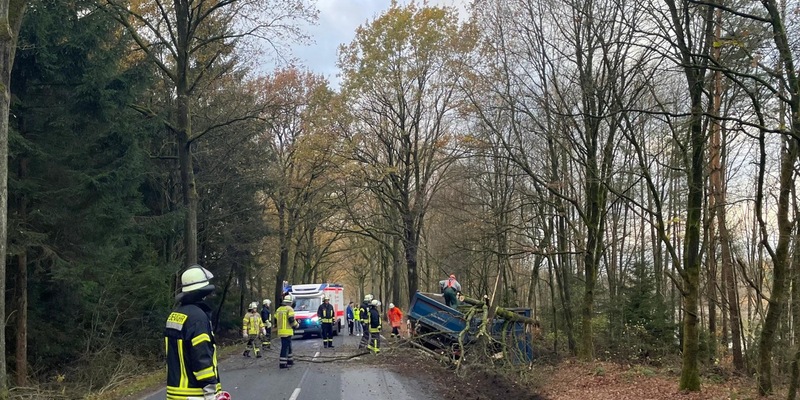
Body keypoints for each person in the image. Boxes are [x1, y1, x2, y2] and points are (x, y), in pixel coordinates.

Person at [164, 265, 230, 400]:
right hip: (195, 394)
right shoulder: (198, 318)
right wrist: (210, 390)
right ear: (202, 293)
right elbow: (201, 355)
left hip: (175, 393)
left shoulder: (175, 314)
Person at [275, 294, 299, 369]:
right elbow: (291, 319)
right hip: (287, 330)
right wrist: (296, 325)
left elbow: (276, 319)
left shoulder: (279, 309)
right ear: (291, 302)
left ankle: (290, 361)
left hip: (281, 330)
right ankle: (282, 363)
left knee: (288, 346)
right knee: (285, 347)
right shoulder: (290, 309)